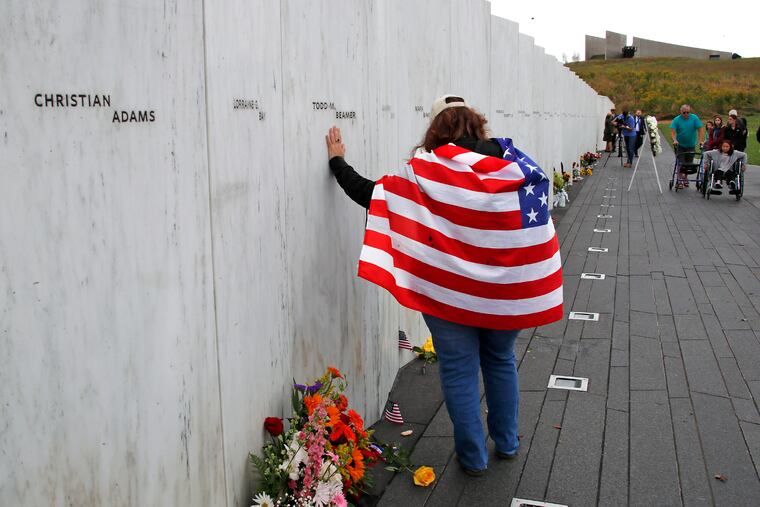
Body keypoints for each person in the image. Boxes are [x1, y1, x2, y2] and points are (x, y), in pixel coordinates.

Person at [325, 95, 563, 477]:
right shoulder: (514, 167)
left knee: (458, 370)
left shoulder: (424, 173)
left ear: (435, 129)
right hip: (506, 295)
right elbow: (535, 223)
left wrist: (337, 161)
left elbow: (372, 195)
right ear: (476, 124)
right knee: (501, 361)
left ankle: (473, 459)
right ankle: (507, 443)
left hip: (447, 295)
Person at [670, 104, 704, 189]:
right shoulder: (677, 120)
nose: (686, 114)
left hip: (691, 144)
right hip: (680, 145)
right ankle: (680, 180)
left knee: (689, 163)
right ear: (681, 112)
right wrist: (674, 140)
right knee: (680, 162)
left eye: (687, 112)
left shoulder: (694, 118)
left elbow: (700, 129)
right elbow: (673, 132)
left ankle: (685, 178)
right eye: (684, 112)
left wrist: (700, 141)